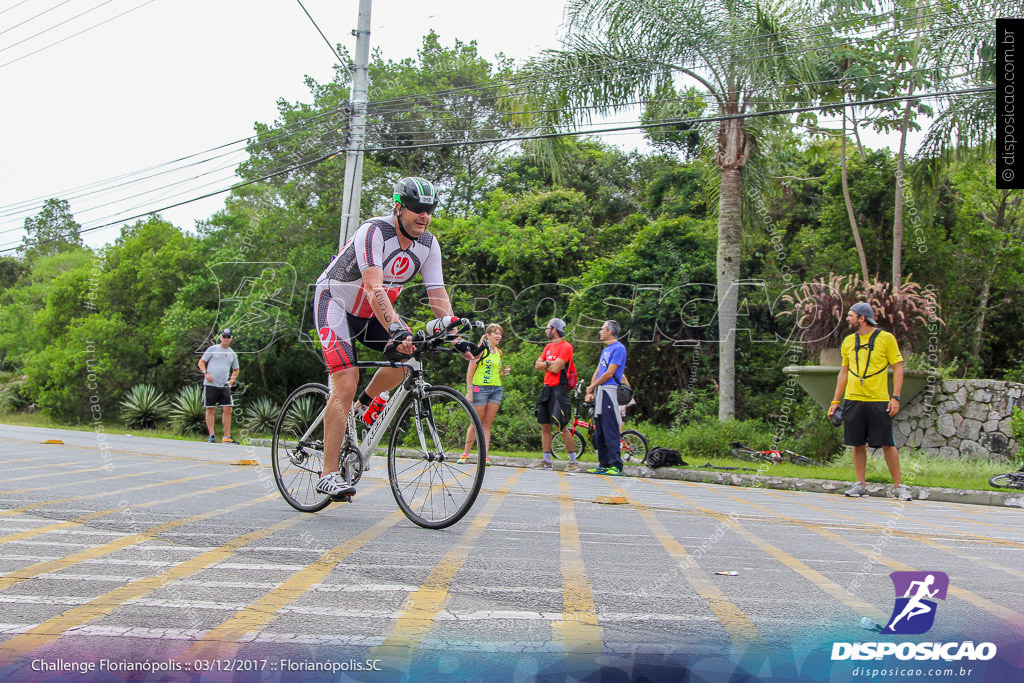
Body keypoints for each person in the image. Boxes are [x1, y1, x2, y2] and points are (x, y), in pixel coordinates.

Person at [312, 177, 476, 497]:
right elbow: (374, 287)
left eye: (429, 210)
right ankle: (328, 472)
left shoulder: (428, 244)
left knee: (408, 359)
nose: (424, 216)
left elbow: (438, 295)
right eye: (417, 209)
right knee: (346, 380)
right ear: (398, 207)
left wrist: (455, 338)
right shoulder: (374, 231)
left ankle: (361, 407)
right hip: (335, 304)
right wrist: (396, 327)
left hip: (371, 313)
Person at [827, 301, 912, 501]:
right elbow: (844, 372)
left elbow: (898, 368)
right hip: (854, 398)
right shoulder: (848, 341)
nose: (847, 319)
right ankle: (860, 484)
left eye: (850, 315)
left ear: (862, 318)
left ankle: (899, 486)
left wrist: (896, 397)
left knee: (887, 443)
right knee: (857, 443)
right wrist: (835, 401)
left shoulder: (886, 339)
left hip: (879, 399)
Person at [459, 324, 511, 465]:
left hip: (496, 389)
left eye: (500, 333)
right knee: (476, 421)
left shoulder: (499, 352)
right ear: (488, 335)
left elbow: (498, 372)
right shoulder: (480, 349)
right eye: (495, 333)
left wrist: (504, 372)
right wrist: (470, 391)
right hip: (479, 388)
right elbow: (470, 371)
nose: (498, 335)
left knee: (487, 424)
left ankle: (485, 456)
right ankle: (466, 454)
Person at [533, 318, 579, 472]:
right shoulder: (548, 347)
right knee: (545, 425)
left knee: (562, 426)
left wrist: (546, 364)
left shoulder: (566, 347)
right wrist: (547, 364)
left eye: (547, 328)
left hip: (560, 389)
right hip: (547, 389)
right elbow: (537, 365)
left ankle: (573, 462)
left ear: (554, 330)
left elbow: (556, 369)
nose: (546, 330)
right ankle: (546, 461)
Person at [585, 320, 627, 475]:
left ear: (610, 331)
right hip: (599, 391)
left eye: (602, 329)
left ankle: (615, 465)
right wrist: (591, 390)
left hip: (609, 390)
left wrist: (593, 386)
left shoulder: (619, 348)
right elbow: (598, 371)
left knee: (610, 429)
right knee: (600, 430)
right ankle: (603, 464)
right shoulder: (606, 350)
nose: (599, 332)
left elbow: (610, 373)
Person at [198, 328, 240, 444]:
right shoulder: (213, 349)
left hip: (224, 385)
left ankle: (227, 436)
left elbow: (236, 369)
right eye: (224, 336)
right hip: (210, 384)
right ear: (221, 337)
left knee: (228, 409)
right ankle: (211, 435)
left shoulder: (232, 353)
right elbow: (201, 362)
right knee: (210, 408)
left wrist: (231, 382)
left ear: (231, 338)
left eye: (228, 337)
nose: (226, 339)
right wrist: (205, 373)